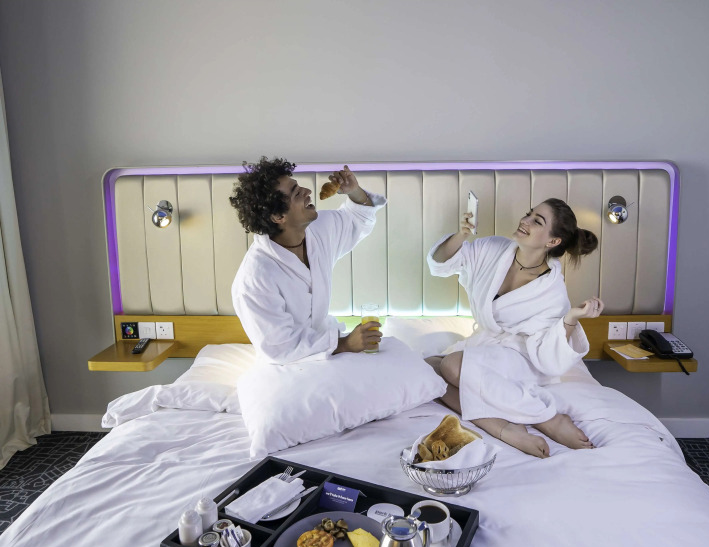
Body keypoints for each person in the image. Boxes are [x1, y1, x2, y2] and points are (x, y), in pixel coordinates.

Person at [426, 198, 604, 458]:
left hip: (521, 356)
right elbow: (440, 264)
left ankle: (547, 419)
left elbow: (550, 355)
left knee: (451, 365)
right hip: (486, 346)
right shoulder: (493, 249)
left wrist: (572, 317)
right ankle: (503, 426)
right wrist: (462, 235)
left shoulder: (551, 289)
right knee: (429, 367)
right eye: (529, 214)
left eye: (537, 221)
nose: (525, 221)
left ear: (553, 241)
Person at [229, 157, 385, 363]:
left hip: (331, 349)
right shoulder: (255, 277)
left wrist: (354, 190)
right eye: (296, 193)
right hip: (287, 366)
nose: (308, 191)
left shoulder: (317, 232)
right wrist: (345, 344)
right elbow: (279, 348)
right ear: (278, 216)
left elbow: (360, 218)